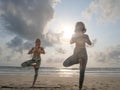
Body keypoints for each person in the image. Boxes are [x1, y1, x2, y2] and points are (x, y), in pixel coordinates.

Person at [63, 21, 92, 90]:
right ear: (76, 27)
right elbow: (70, 42)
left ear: (83, 27)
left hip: (83, 54)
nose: (80, 26)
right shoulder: (74, 35)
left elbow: (90, 43)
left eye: (81, 25)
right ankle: (78, 60)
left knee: (82, 72)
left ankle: (80, 88)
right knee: (65, 64)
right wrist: (76, 37)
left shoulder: (86, 35)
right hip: (76, 53)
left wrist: (86, 39)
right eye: (78, 25)